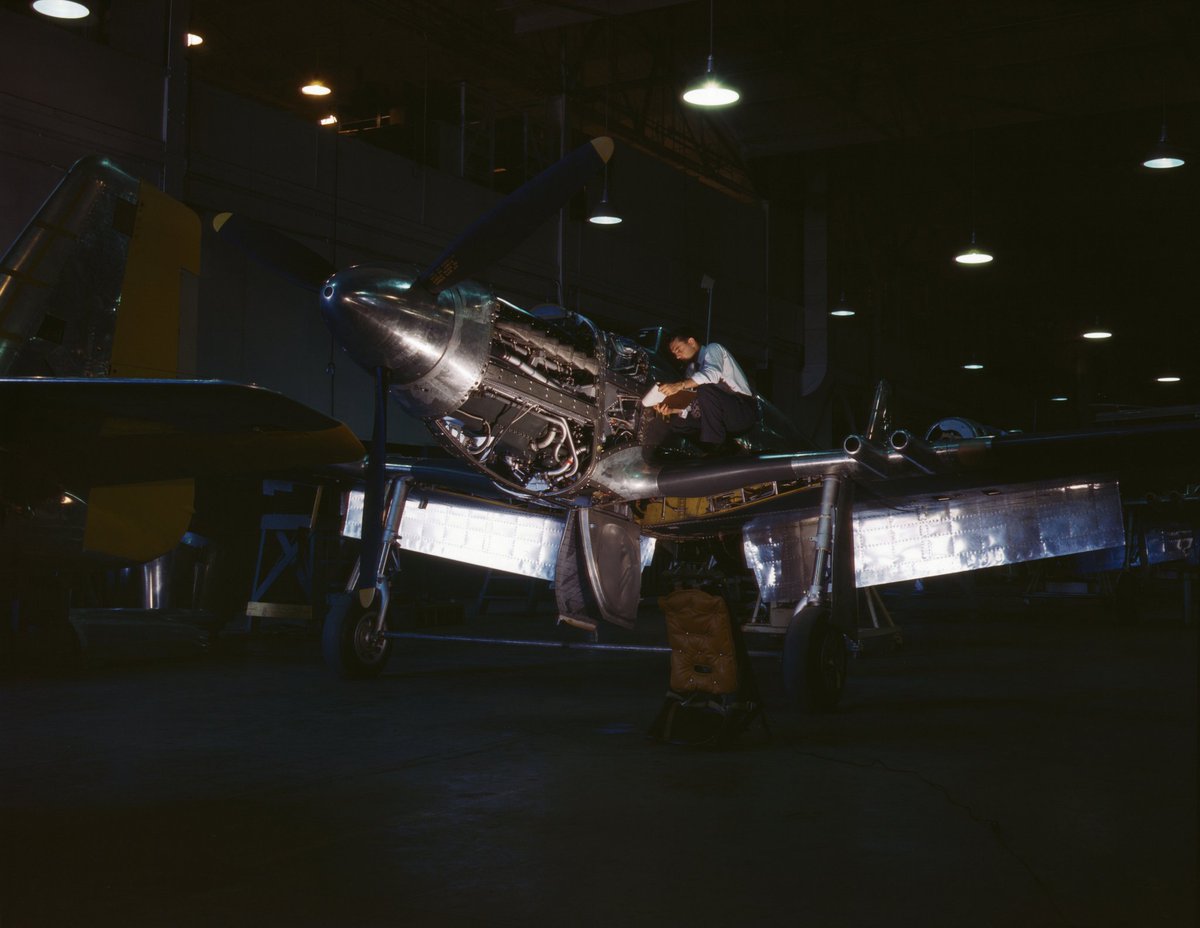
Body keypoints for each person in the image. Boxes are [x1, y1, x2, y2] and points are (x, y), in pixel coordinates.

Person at [653, 331, 757, 453]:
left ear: (691, 342)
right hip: (718, 416)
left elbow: (712, 375)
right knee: (677, 423)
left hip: (741, 411)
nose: (677, 356)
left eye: (678, 349)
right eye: (674, 353)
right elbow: (696, 405)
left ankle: (715, 446)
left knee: (705, 388)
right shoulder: (691, 371)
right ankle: (726, 449)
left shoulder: (713, 349)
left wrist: (679, 385)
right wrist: (673, 410)